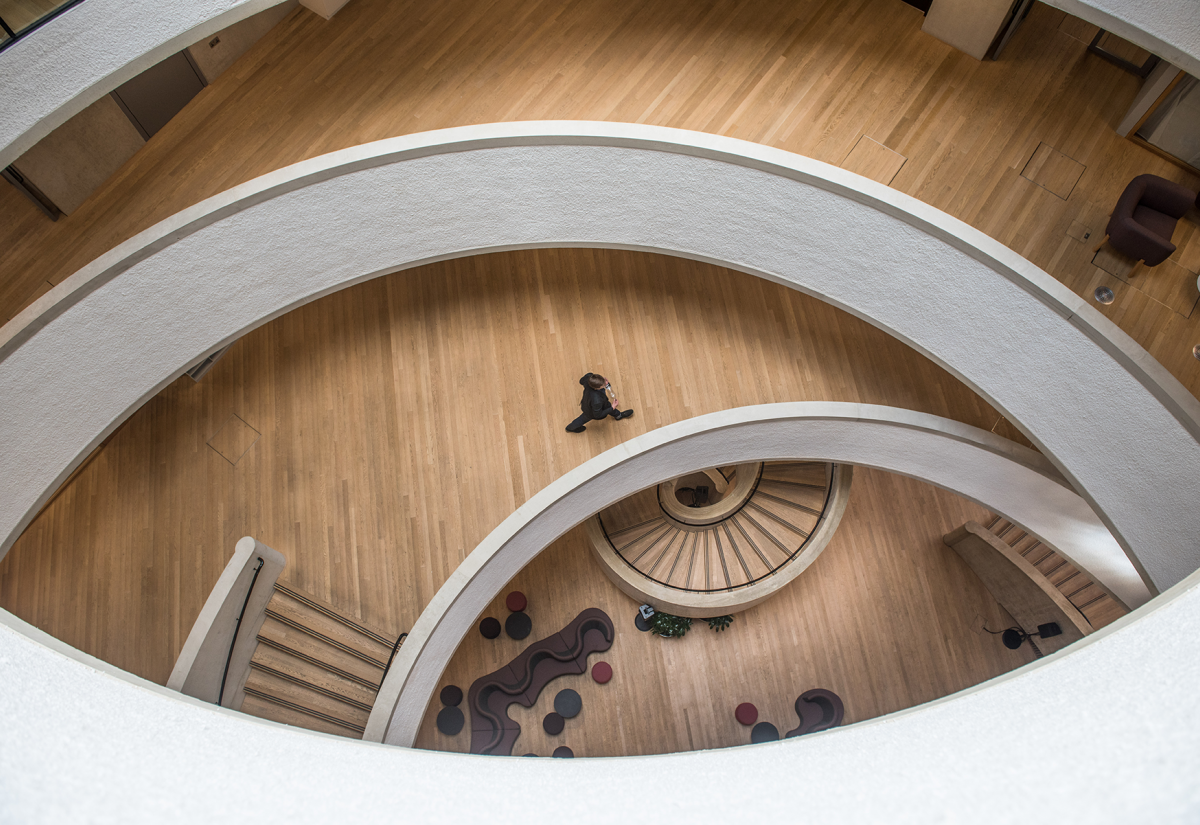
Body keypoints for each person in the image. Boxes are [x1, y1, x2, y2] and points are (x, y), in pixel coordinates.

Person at [566, 373, 634, 433]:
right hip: (590, 411)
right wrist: (612, 407)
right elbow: (598, 415)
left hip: (589, 403)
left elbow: (581, 381)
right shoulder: (597, 401)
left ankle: (618, 416)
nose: (605, 385)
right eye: (603, 385)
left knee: (608, 406)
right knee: (582, 419)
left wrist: (605, 383)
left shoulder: (589, 377)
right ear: (597, 387)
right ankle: (570, 428)